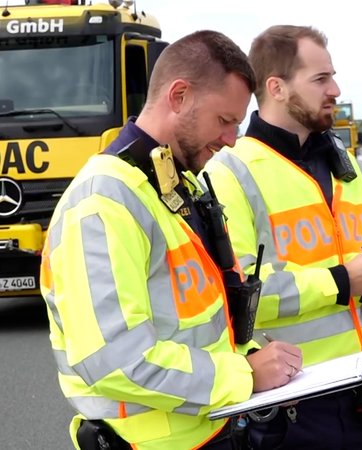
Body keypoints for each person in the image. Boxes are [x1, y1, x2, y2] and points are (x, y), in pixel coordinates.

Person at [39, 30, 302, 450]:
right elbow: (115, 360)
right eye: (224, 121)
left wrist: (253, 355)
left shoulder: (175, 187)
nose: (232, 139)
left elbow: (198, 324)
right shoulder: (103, 202)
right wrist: (245, 375)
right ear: (178, 96)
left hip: (212, 429)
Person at [202, 25, 362, 450]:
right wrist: (340, 282)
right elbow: (235, 292)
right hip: (292, 408)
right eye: (321, 79)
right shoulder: (230, 173)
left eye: (332, 77)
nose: (335, 89)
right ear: (277, 88)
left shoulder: (344, 166)